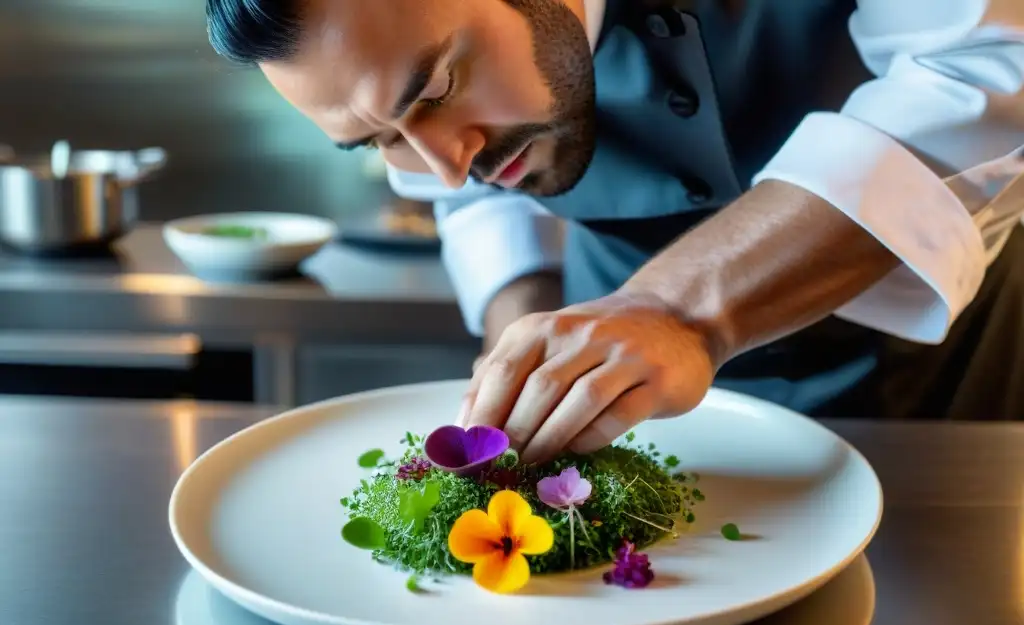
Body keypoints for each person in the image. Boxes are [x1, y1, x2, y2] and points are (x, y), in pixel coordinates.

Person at [206, 0, 1024, 462]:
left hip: (934, 394)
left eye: (442, 83)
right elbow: (476, 193)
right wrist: (525, 356)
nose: (442, 167)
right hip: (640, 425)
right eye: (379, 139)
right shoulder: (431, 113)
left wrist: (677, 310)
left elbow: (988, 68)